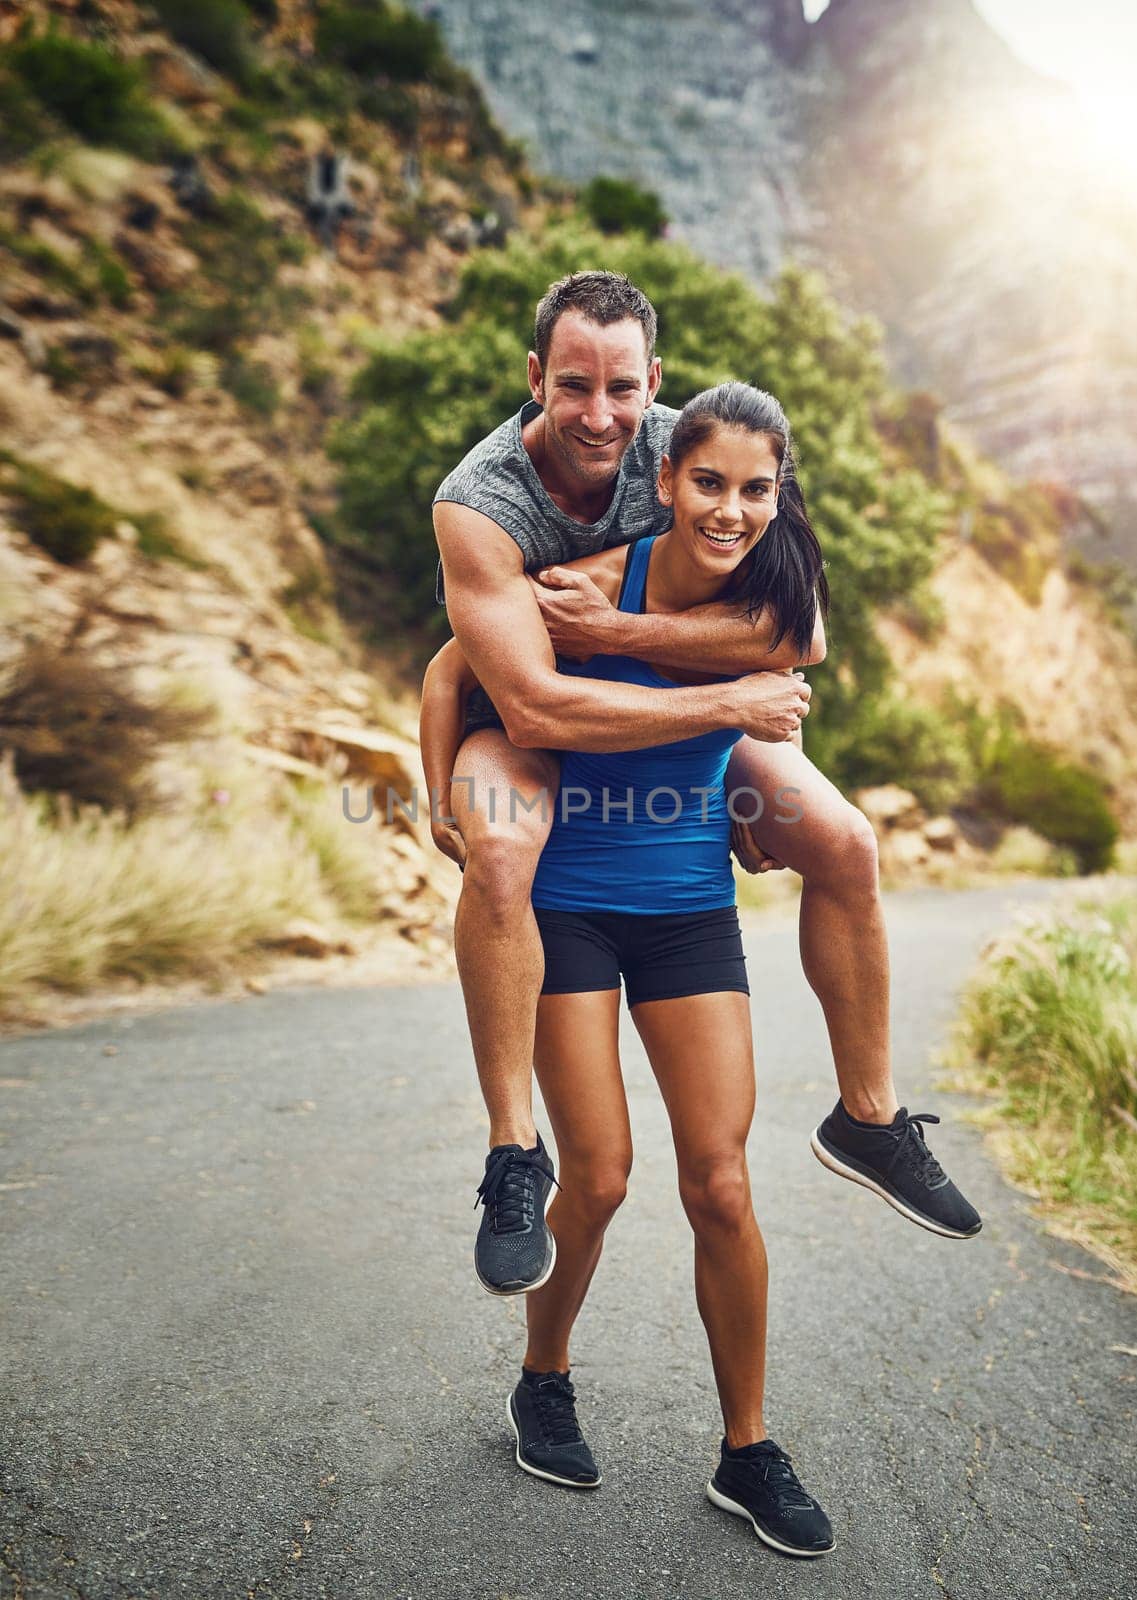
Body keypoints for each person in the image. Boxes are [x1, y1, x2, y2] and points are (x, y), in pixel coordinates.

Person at [431, 271, 980, 1298]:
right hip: (527, 716)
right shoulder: (481, 501)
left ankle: (866, 1116)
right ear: (536, 377)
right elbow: (524, 701)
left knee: (846, 841)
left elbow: (801, 632)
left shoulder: (715, 448)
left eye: (624, 388)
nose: (602, 415)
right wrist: (729, 710)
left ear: (655, 384)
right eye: (576, 386)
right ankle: (514, 1150)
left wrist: (635, 639)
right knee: (502, 847)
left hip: (666, 689)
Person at [422, 382, 854, 1557]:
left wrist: (759, 811)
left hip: (689, 917)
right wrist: (438, 796)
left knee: (721, 1182)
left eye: (754, 490)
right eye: (707, 483)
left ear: (777, 495)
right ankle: (543, 1376)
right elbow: (457, 668)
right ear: (663, 477)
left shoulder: (769, 589)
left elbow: (793, 665)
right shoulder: (575, 585)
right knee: (602, 1176)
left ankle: (748, 1448)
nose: (729, 508)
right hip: (570, 909)